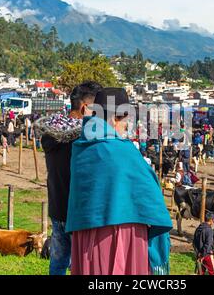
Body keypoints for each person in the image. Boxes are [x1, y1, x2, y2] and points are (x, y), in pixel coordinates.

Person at [66, 88, 172, 275]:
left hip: (85, 238)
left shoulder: (80, 148)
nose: (127, 126)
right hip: (122, 235)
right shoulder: (122, 151)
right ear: (116, 118)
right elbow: (151, 198)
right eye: (126, 121)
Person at [36, 81, 103, 275]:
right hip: (79, 212)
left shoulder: (51, 133)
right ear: (85, 107)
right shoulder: (84, 138)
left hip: (57, 208)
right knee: (81, 266)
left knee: (57, 263)